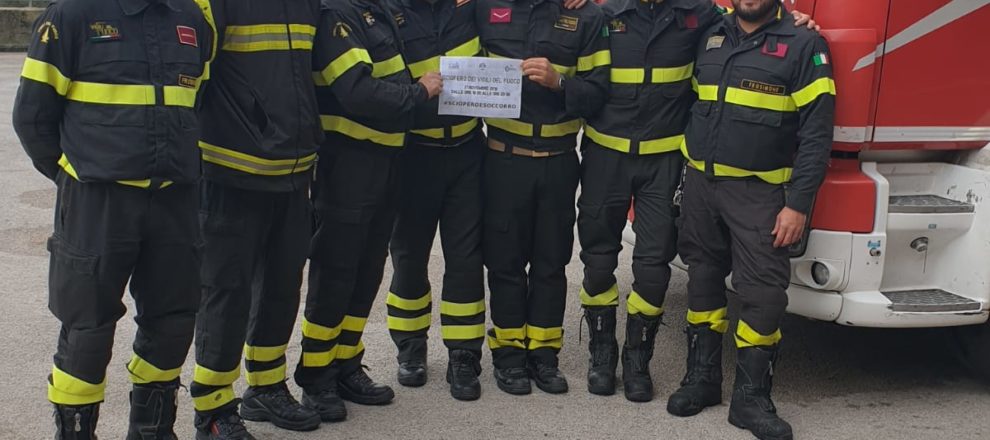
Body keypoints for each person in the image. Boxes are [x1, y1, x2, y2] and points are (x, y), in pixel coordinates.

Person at [579, 0, 816, 403]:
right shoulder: (604, 14)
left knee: (653, 267)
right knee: (598, 262)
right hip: (606, 159)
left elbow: (750, 17)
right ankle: (602, 356)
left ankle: (637, 362)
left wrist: (793, 17)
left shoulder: (699, 15)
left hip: (663, 163)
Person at [11, 0, 213, 437]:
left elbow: (197, 103)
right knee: (88, 324)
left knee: (174, 318)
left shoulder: (191, 19)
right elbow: (32, 118)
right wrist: (76, 174)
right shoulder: (71, 16)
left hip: (174, 198)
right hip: (99, 201)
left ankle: (153, 430)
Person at [666, 1, 834, 439]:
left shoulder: (804, 43)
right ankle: (701, 380)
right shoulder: (712, 32)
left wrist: (798, 205)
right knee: (702, 279)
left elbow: (817, 134)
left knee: (763, 294)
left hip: (760, 195)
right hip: (702, 185)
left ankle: (751, 399)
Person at [294, 0, 444, 422]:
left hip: (385, 163)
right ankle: (316, 375)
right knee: (336, 272)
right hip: (349, 166)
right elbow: (357, 92)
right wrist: (419, 92)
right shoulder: (336, 15)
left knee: (366, 272)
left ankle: (346, 364)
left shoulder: (376, 11)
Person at [189, 1, 324, 438]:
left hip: (293, 172)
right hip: (230, 174)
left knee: (282, 288)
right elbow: (189, 86)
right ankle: (213, 408)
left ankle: (266, 387)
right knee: (225, 295)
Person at [476, 0, 610, 395]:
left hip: (558, 162)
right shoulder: (485, 8)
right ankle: (508, 356)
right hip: (503, 160)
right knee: (505, 261)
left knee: (551, 262)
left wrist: (560, 83)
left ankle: (544, 355)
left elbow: (600, 91)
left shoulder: (586, 16)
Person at [382, 0, 488, 401]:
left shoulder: (471, 8)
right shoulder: (389, 13)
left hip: (466, 153)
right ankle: (410, 349)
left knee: (465, 259)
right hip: (414, 156)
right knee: (409, 257)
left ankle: (464, 354)